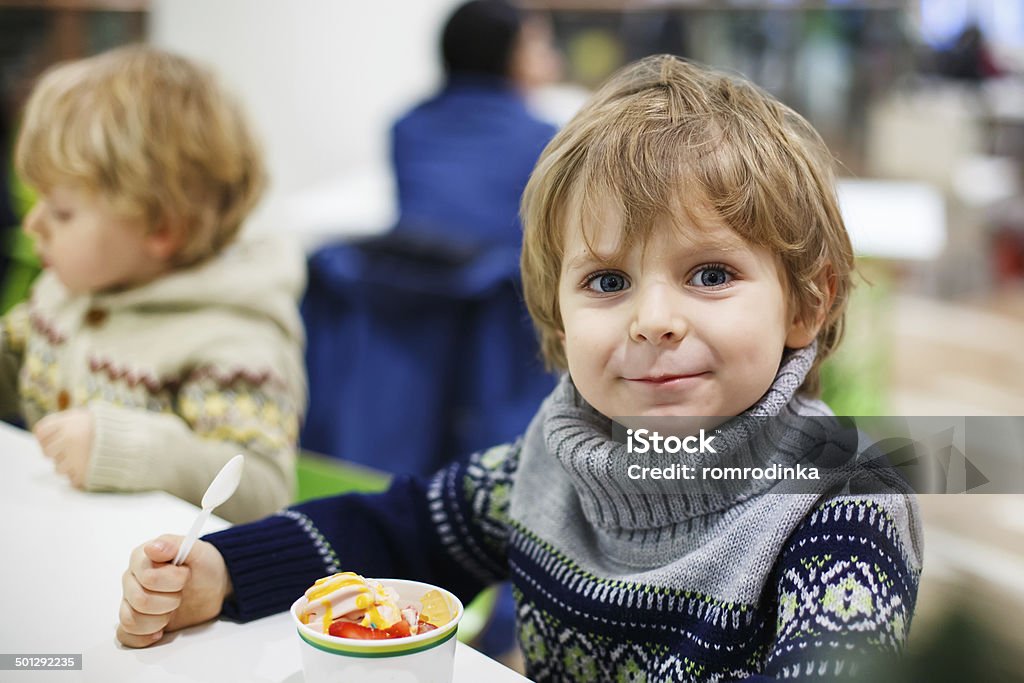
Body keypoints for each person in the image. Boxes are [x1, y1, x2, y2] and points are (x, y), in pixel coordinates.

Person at [117, 55, 922, 681]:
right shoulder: (557, 457)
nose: (653, 320)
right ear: (558, 317)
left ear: (805, 305)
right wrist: (226, 568)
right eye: (607, 282)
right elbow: (401, 532)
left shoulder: (845, 501)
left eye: (710, 274)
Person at [3, 46, 306, 524]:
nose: (33, 223)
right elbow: (17, 358)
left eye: (61, 212)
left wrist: (129, 450)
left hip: (154, 588)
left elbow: (264, 489)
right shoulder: (70, 290)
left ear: (160, 228)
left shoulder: (233, 339)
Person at [390, 0, 561, 247]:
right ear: (509, 56)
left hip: (413, 278)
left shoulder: (406, 127)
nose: (553, 61)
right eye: (540, 47)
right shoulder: (543, 138)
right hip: (500, 283)